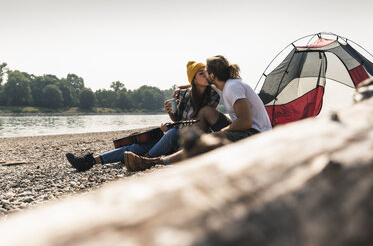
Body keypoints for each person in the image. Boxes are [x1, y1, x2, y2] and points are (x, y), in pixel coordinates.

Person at [124, 55, 272, 171]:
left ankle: (157, 161)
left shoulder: (233, 87)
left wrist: (222, 132)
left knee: (210, 138)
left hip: (255, 134)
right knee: (205, 112)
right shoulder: (222, 85)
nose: (204, 74)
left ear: (212, 75)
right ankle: (188, 149)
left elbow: (245, 122)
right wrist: (179, 88)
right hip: (246, 129)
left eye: (206, 71)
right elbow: (196, 82)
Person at [65, 61, 220, 171]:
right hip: (174, 136)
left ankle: (145, 159)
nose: (206, 74)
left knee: (172, 133)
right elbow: (177, 120)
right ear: (193, 79)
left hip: (190, 140)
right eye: (201, 72)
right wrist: (170, 114)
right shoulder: (185, 95)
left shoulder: (212, 94)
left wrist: (181, 86)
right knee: (139, 144)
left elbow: (213, 89)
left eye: (206, 71)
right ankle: (90, 161)